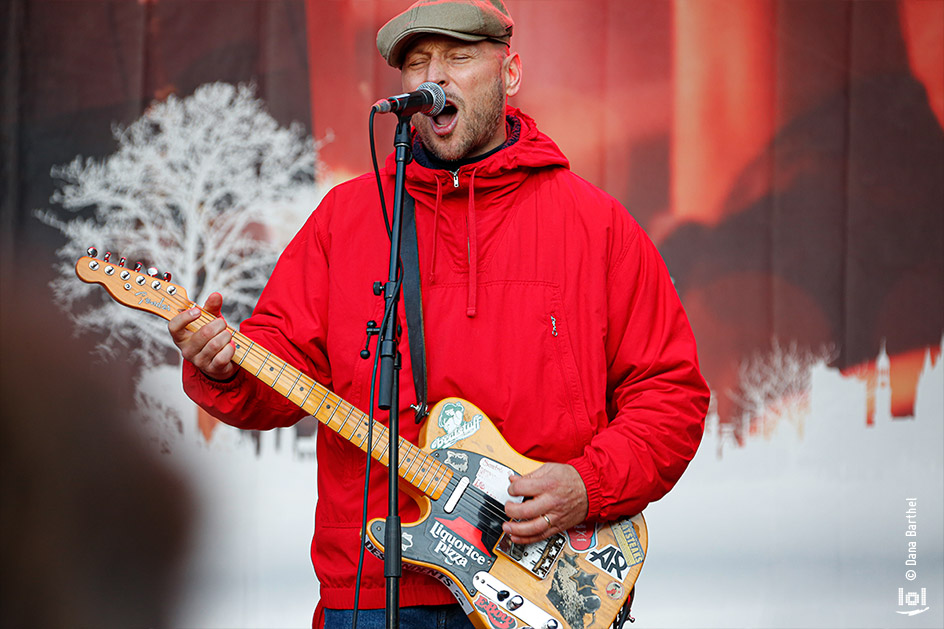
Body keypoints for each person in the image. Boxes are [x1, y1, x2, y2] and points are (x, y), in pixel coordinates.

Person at [168, 0, 710, 627]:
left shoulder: (596, 225)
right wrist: (224, 367)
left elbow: (671, 396)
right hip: (372, 591)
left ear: (509, 74)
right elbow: (282, 373)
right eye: (418, 62)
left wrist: (587, 486)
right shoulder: (344, 222)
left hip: (538, 588)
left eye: (458, 56)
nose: (436, 77)